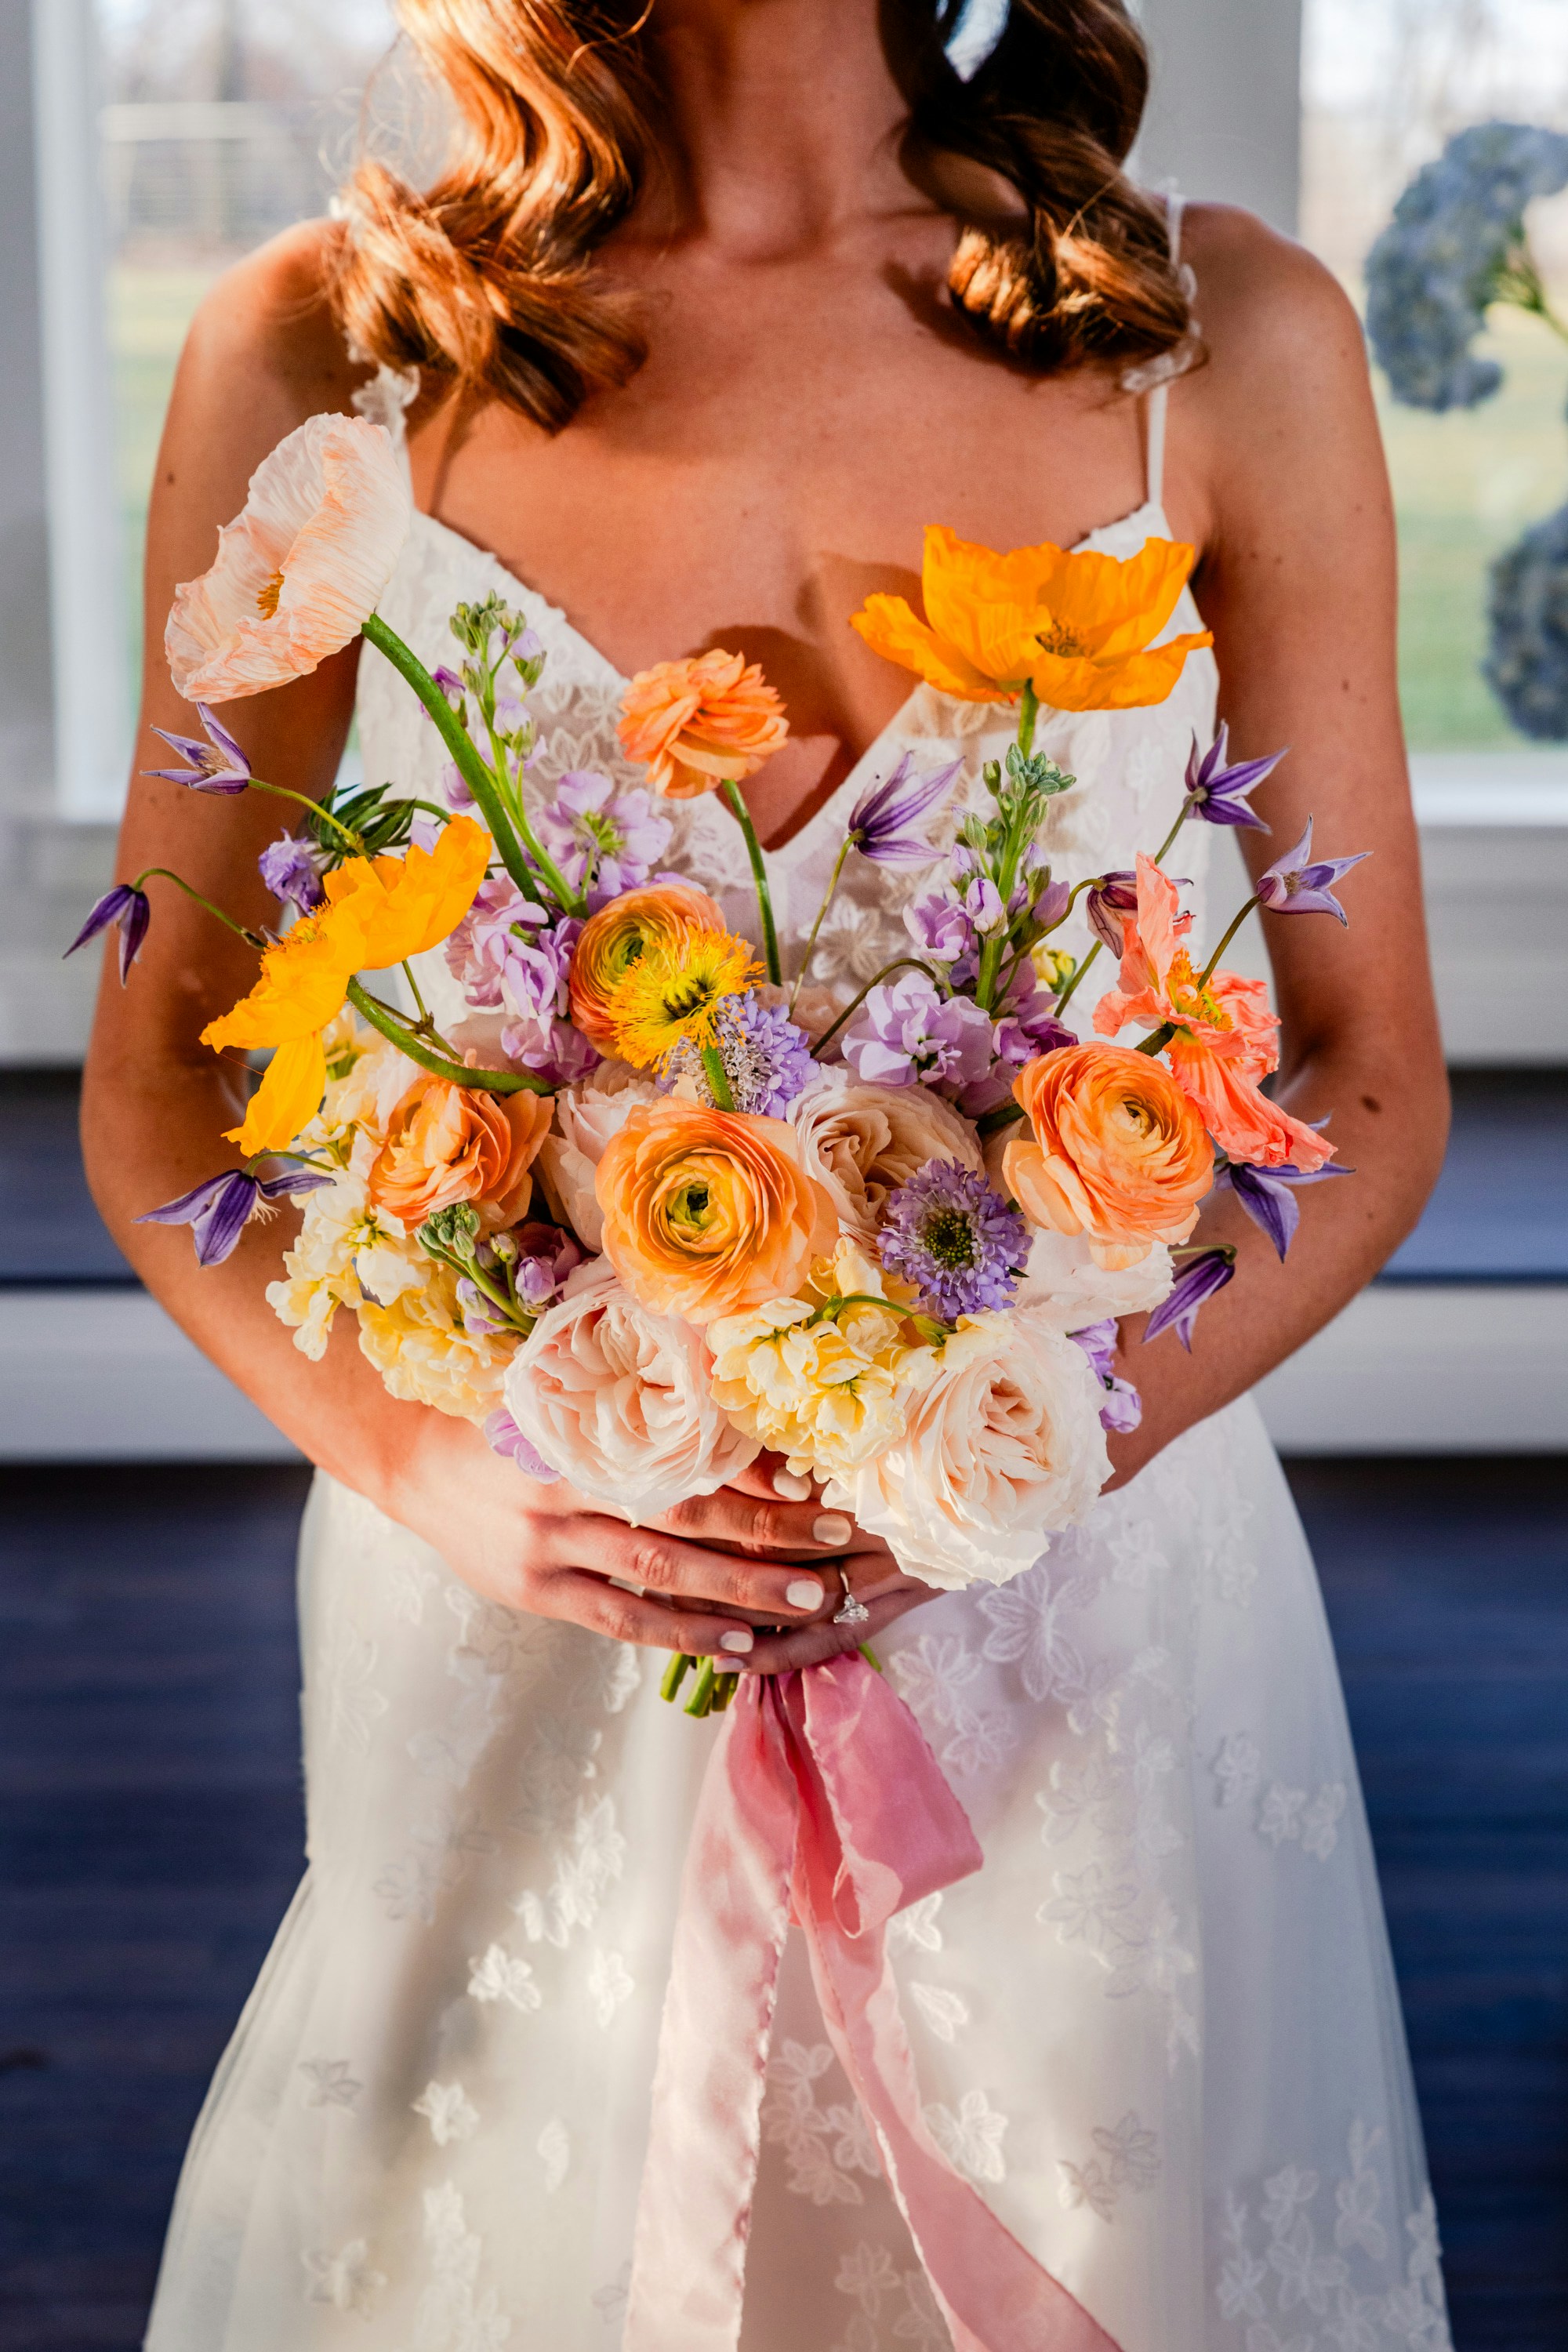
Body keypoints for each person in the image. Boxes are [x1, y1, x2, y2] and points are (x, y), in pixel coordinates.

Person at [82, 2, 1454, 2346]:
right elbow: (155, 1100)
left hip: (1075, 1604)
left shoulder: (1221, 346)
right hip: (537, 1591)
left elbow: (1371, 1080)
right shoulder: (325, 349)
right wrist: (436, 1475)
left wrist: (1033, 1443)